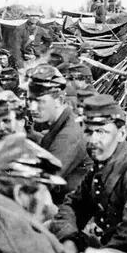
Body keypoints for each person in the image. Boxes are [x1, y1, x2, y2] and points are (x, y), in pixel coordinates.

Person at [51, 94, 127, 253]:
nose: (93, 140)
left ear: (122, 134)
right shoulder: (100, 169)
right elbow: (73, 206)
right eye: (88, 132)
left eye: (101, 131)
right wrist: (69, 240)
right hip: (112, 249)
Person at [27, 64, 88, 198]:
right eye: (30, 100)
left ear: (59, 100)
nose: (32, 108)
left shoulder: (69, 134)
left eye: (39, 101)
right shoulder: (59, 124)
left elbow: (40, 183)